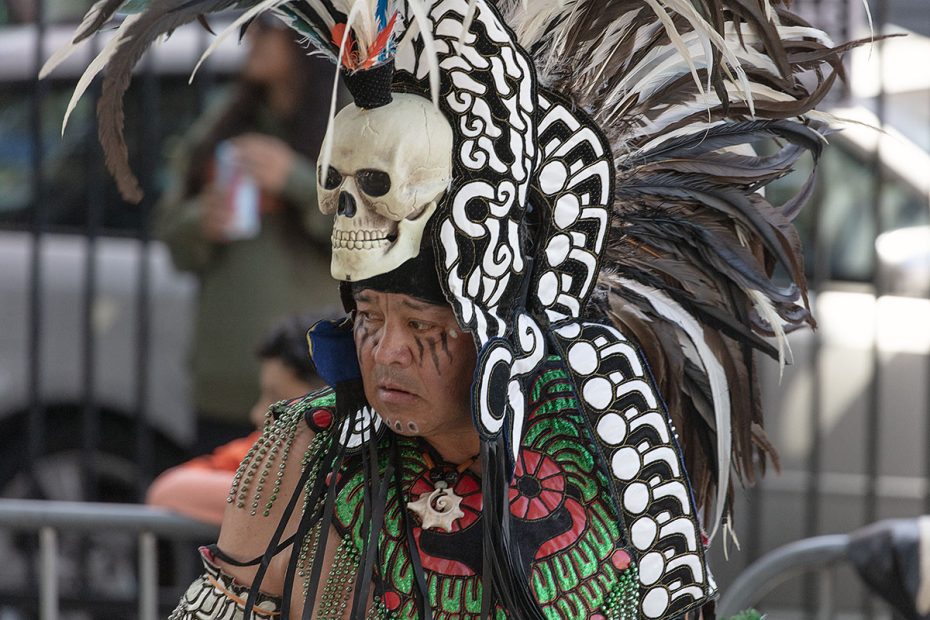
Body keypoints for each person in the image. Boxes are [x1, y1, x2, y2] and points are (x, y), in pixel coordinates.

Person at [54, 1, 851, 617]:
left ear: (499, 330)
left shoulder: (605, 457)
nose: (387, 353)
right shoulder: (302, 453)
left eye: (425, 328)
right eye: (370, 318)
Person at [154, 15, 340, 451]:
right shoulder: (226, 117)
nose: (249, 36)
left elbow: (378, 230)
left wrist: (295, 180)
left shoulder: (348, 121)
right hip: (222, 386)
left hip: (310, 385)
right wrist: (202, 219)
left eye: (265, 25)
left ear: (306, 33)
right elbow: (171, 235)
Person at [146, 315, 325, 525]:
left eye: (277, 399)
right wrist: (279, 494)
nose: (257, 414)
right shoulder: (259, 452)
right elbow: (168, 490)